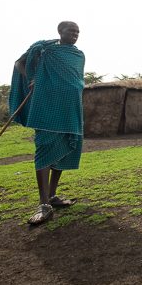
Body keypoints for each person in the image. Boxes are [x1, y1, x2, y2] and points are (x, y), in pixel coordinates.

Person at [9, 21, 85, 225]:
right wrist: (32, 79)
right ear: (60, 32)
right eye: (71, 31)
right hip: (46, 109)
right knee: (44, 150)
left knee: (63, 149)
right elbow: (19, 63)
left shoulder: (78, 55)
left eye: (78, 32)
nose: (75, 35)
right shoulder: (45, 50)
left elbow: (76, 79)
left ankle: (52, 196)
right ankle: (44, 205)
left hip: (70, 109)